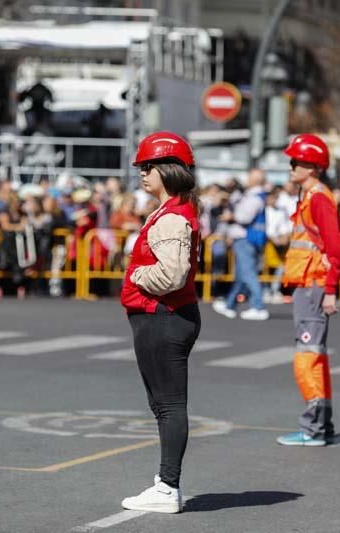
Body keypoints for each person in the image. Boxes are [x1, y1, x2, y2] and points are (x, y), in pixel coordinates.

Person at [120, 131, 201, 514]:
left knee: (169, 406)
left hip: (162, 315)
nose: (142, 172)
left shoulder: (171, 217)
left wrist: (135, 275)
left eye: (148, 166)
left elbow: (172, 275)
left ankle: (168, 487)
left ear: (167, 170)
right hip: (163, 316)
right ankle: (166, 484)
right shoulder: (171, 211)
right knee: (164, 404)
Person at [277, 133, 340, 447]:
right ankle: (321, 426)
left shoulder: (318, 197)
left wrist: (330, 290)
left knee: (307, 357)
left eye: (297, 161)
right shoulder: (311, 196)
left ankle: (313, 428)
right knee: (313, 356)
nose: (292, 165)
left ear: (314, 167)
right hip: (309, 284)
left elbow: (334, 246)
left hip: (314, 285)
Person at [212, 168, 270, 321]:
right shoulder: (257, 195)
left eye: (249, 177)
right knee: (241, 274)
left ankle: (258, 306)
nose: (247, 180)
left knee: (248, 273)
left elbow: (244, 217)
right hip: (246, 238)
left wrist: (231, 215)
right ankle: (230, 304)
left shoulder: (254, 196)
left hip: (246, 239)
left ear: (254, 179)